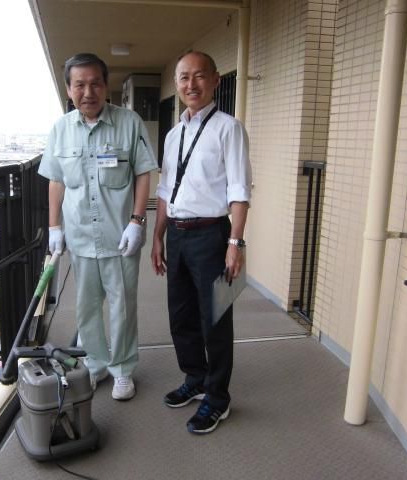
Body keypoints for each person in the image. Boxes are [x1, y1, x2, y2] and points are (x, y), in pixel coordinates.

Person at [39, 53, 157, 401]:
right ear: (68, 89)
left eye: (95, 84)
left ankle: (122, 369)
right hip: (80, 236)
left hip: (120, 236)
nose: (88, 92)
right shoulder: (60, 129)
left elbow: (143, 172)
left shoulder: (128, 122)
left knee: (122, 307)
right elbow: (56, 181)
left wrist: (137, 220)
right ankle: (95, 364)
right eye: (80, 85)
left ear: (106, 86)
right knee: (86, 308)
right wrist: (54, 226)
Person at [151, 51, 252, 433]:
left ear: (215, 81)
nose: (190, 84)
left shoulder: (229, 128)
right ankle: (195, 377)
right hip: (177, 234)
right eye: (183, 77)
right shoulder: (173, 134)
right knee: (181, 316)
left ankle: (218, 398)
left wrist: (235, 243)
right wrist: (158, 236)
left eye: (199, 76)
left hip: (212, 234)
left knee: (215, 320)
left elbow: (239, 189)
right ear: (177, 84)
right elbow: (165, 189)